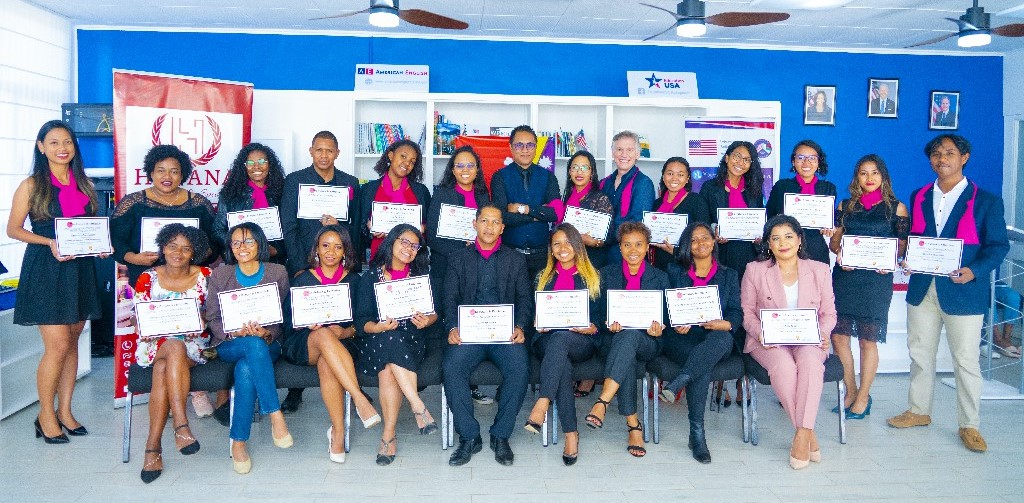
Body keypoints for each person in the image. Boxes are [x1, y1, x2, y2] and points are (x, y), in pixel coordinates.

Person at [887, 134, 1009, 453]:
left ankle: (969, 425)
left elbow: (998, 246)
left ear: (964, 157)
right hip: (923, 287)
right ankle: (918, 410)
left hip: (964, 290)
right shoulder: (920, 195)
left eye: (950, 153)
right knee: (920, 355)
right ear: (930, 160)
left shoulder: (986, 201)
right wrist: (908, 259)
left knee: (966, 360)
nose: (942, 158)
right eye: (936, 154)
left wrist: (975, 271)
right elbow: (916, 237)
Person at [8, 120, 102, 444]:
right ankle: (45, 414)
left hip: (79, 269)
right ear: (41, 147)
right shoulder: (32, 185)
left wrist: (99, 246)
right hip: (46, 267)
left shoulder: (84, 183)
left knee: (74, 340)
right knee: (58, 344)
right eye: (54, 142)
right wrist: (47, 242)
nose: (62, 148)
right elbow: (13, 229)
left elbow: (89, 226)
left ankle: (66, 411)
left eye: (67, 142)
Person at [741, 215, 836, 470]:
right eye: (776, 238)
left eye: (789, 236)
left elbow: (828, 313)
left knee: (810, 364)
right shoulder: (755, 270)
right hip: (768, 340)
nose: (783, 243)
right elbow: (747, 313)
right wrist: (761, 333)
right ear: (768, 244)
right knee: (783, 367)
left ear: (800, 239)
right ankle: (807, 433)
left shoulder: (819, 270)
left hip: (809, 339)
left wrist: (824, 332)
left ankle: (801, 435)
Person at [281, 225, 381, 464]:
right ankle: (359, 398)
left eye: (338, 247)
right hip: (304, 343)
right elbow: (288, 322)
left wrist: (345, 331)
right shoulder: (303, 279)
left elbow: (364, 321)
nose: (331, 252)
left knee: (328, 361)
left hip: (346, 342)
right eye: (325, 245)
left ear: (345, 251)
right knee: (323, 335)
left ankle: (337, 431)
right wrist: (307, 325)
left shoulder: (355, 281)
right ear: (316, 248)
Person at [443, 205, 533, 467]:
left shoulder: (515, 259)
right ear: (475, 224)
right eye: (484, 221)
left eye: (495, 222)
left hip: (503, 333)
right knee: (452, 368)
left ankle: (501, 435)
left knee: (519, 368)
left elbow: (524, 299)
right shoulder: (458, 258)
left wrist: (520, 326)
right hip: (469, 333)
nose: (489, 227)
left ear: (503, 228)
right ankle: (469, 436)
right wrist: (451, 328)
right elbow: (449, 298)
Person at [279, 130, 361, 414]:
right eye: (319, 150)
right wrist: (301, 265)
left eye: (330, 151)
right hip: (305, 267)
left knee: (337, 321)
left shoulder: (350, 184)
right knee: (306, 322)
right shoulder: (294, 181)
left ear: (338, 153)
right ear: (311, 151)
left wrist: (340, 226)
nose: (324, 155)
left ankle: (351, 385)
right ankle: (295, 390)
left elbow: (357, 227)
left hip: (338, 265)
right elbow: (288, 226)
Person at [205, 222, 293, 474]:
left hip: (267, 343)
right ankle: (275, 415)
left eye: (249, 241)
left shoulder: (277, 272)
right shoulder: (221, 274)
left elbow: (282, 317)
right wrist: (233, 331)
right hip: (230, 343)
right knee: (250, 347)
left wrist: (267, 333)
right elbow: (212, 318)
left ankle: (239, 442)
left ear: (260, 244)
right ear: (230, 247)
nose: (242, 247)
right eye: (236, 242)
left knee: (246, 368)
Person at [829, 155, 909, 419]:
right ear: (857, 178)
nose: (869, 178)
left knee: (867, 340)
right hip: (846, 278)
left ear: (883, 176)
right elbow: (834, 245)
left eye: (874, 172)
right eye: (863, 173)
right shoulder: (846, 205)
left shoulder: (897, 208)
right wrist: (841, 253)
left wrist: (890, 260)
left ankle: (864, 397)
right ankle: (850, 392)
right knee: (839, 337)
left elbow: (902, 246)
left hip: (876, 281)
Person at [131, 224, 212, 482]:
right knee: (170, 348)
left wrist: (202, 320)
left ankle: (152, 448)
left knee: (166, 362)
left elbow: (214, 316)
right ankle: (180, 424)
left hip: (192, 344)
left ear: (194, 253)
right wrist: (149, 326)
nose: (178, 252)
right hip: (154, 344)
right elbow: (137, 318)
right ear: (163, 248)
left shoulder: (207, 276)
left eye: (186, 248)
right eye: (172, 246)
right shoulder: (147, 278)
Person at [355, 224, 439, 466]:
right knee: (388, 340)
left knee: (389, 366)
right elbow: (361, 323)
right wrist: (378, 327)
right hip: (376, 341)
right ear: (391, 242)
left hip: (412, 340)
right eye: (404, 242)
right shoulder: (371, 277)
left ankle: (388, 436)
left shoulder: (421, 278)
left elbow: (435, 314)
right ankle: (418, 406)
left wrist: (427, 321)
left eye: (414, 246)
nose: (409, 249)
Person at [661, 222, 741, 464]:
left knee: (722, 338)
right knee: (701, 363)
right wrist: (675, 323)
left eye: (705, 238)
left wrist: (724, 323)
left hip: (716, 338)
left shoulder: (729, 274)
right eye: (694, 240)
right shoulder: (674, 272)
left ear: (714, 241)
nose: (700, 244)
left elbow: (737, 312)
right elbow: (665, 309)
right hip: (682, 338)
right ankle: (697, 435)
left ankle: (681, 383)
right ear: (687, 245)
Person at [585, 221, 667, 458]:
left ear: (647, 247)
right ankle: (633, 425)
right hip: (613, 340)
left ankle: (603, 402)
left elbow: (668, 319)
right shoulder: (606, 274)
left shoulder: (660, 277)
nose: (633, 250)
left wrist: (659, 328)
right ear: (619, 247)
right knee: (626, 346)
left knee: (630, 338)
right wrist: (607, 324)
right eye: (627, 244)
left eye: (639, 244)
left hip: (648, 342)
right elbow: (597, 314)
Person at [523, 223, 602, 466]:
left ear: (578, 246)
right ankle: (570, 433)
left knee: (562, 342)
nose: (562, 248)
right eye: (556, 243)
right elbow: (530, 317)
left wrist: (590, 326)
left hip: (581, 341)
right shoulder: (541, 277)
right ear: (551, 249)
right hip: (546, 341)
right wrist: (537, 322)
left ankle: (544, 403)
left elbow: (601, 321)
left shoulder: (593, 277)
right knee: (560, 354)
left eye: (568, 242)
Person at [425, 146, 495, 406]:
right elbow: (432, 236)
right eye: (459, 166)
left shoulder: (484, 195)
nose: (465, 170)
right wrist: (462, 250)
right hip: (447, 268)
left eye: (470, 165)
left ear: (477, 169)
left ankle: (472, 384)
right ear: (452, 169)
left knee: (471, 322)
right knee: (450, 321)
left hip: (478, 269)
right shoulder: (441, 194)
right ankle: (452, 381)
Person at [110, 144, 218, 287]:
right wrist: (134, 258)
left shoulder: (200, 205)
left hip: (190, 280)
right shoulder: (133, 203)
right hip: (145, 279)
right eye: (161, 171)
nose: (167, 176)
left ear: (182, 175)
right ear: (151, 173)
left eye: (174, 172)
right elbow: (113, 239)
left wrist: (200, 253)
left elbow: (215, 241)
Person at [490, 125, 560, 278]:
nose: (525, 149)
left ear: (536, 147)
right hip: (510, 255)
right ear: (511, 147)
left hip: (542, 256)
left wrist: (523, 209)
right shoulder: (500, 177)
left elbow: (555, 213)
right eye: (519, 145)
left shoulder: (548, 177)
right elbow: (502, 216)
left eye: (530, 145)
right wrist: (539, 214)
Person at [700, 140, 764, 280]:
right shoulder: (710, 188)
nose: (741, 163)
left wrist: (760, 234)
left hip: (749, 253)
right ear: (727, 158)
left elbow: (761, 219)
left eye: (747, 160)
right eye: (737, 156)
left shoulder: (754, 190)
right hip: (720, 252)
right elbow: (702, 221)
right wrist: (714, 229)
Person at [766, 140, 838, 264]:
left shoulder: (828, 188)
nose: (806, 162)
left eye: (812, 158)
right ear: (793, 162)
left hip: (816, 251)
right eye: (800, 157)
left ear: (818, 162)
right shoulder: (781, 187)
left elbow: (831, 220)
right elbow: (769, 218)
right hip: (785, 249)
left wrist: (831, 228)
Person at [359, 139, 432, 261]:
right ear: (391, 155)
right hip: (380, 257)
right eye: (403, 156)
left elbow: (431, 225)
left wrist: (422, 228)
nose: (407, 163)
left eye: (412, 162)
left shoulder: (421, 192)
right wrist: (369, 227)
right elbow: (359, 227)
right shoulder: (368, 190)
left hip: (412, 259)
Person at [215, 142, 287, 264]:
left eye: (262, 162)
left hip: (274, 262)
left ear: (270, 165)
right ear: (244, 167)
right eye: (250, 163)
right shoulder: (230, 194)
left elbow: (291, 229)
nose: (256, 167)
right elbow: (217, 231)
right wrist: (239, 245)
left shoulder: (283, 192)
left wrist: (278, 250)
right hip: (240, 261)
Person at [599, 131, 656, 265]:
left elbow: (636, 223)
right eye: (619, 149)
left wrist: (602, 237)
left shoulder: (643, 183)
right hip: (600, 254)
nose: (624, 154)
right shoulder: (604, 183)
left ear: (637, 154)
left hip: (626, 256)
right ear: (613, 153)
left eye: (629, 150)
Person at [548, 151, 614, 268]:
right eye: (575, 167)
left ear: (592, 172)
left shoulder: (601, 199)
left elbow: (609, 237)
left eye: (585, 167)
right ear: (569, 171)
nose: (579, 172)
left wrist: (594, 242)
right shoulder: (566, 197)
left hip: (590, 260)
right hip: (566, 258)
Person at [650, 157, 710, 269]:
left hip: (686, 266)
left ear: (687, 179)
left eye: (680, 175)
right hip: (659, 266)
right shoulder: (656, 204)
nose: (674, 178)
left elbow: (704, 238)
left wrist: (675, 251)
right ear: (663, 176)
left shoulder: (697, 202)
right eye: (670, 173)